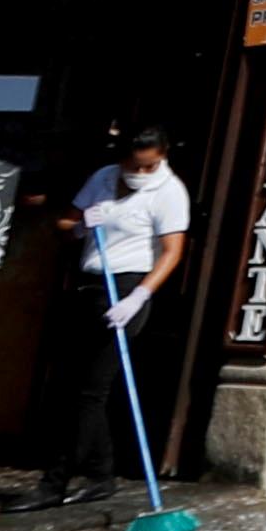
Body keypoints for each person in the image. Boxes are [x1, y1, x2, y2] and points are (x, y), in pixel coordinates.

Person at [37, 123, 192, 504]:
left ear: (163, 157)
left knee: (90, 391)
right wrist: (79, 227)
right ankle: (101, 476)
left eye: (149, 167)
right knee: (77, 388)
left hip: (126, 289)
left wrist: (138, 296)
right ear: (122, 159)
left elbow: (172, 251)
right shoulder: (104, 178)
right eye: (134, 166)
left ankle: (53, 484)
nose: (140, 175)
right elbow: (64, 224)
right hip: (89, 284)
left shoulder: (170, 192)